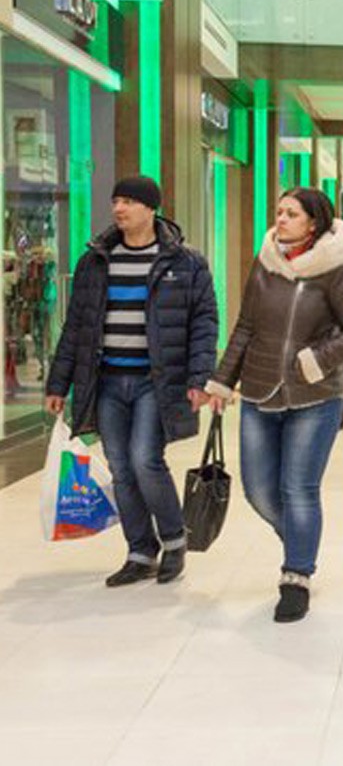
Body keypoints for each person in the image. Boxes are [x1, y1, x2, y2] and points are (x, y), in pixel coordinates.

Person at [205, 188, 343, 622]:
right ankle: (299, 535)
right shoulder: (266, 263)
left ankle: (296, 574)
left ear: (313, 223)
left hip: (315, 397)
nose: (281, 219)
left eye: (291, 214)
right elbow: (245, 326)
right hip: (260, 391)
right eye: (279, 212)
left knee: (299, 489)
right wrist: (222, 381)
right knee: (258, 489)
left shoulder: (338, 269)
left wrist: (317, 360)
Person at [45, 176, 218, 588]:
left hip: (154, 381)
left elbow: (204, 324)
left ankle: (174, 540)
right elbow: (77, 326)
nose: (119, 208)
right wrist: (58, 383)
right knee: (121, 467)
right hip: (107, 380)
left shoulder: (185, 262)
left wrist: (199, 377)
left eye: (129, 201)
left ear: (151, 208)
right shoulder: (96, 260)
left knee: (145, 459)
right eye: (115, 200)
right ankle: (140, 550)